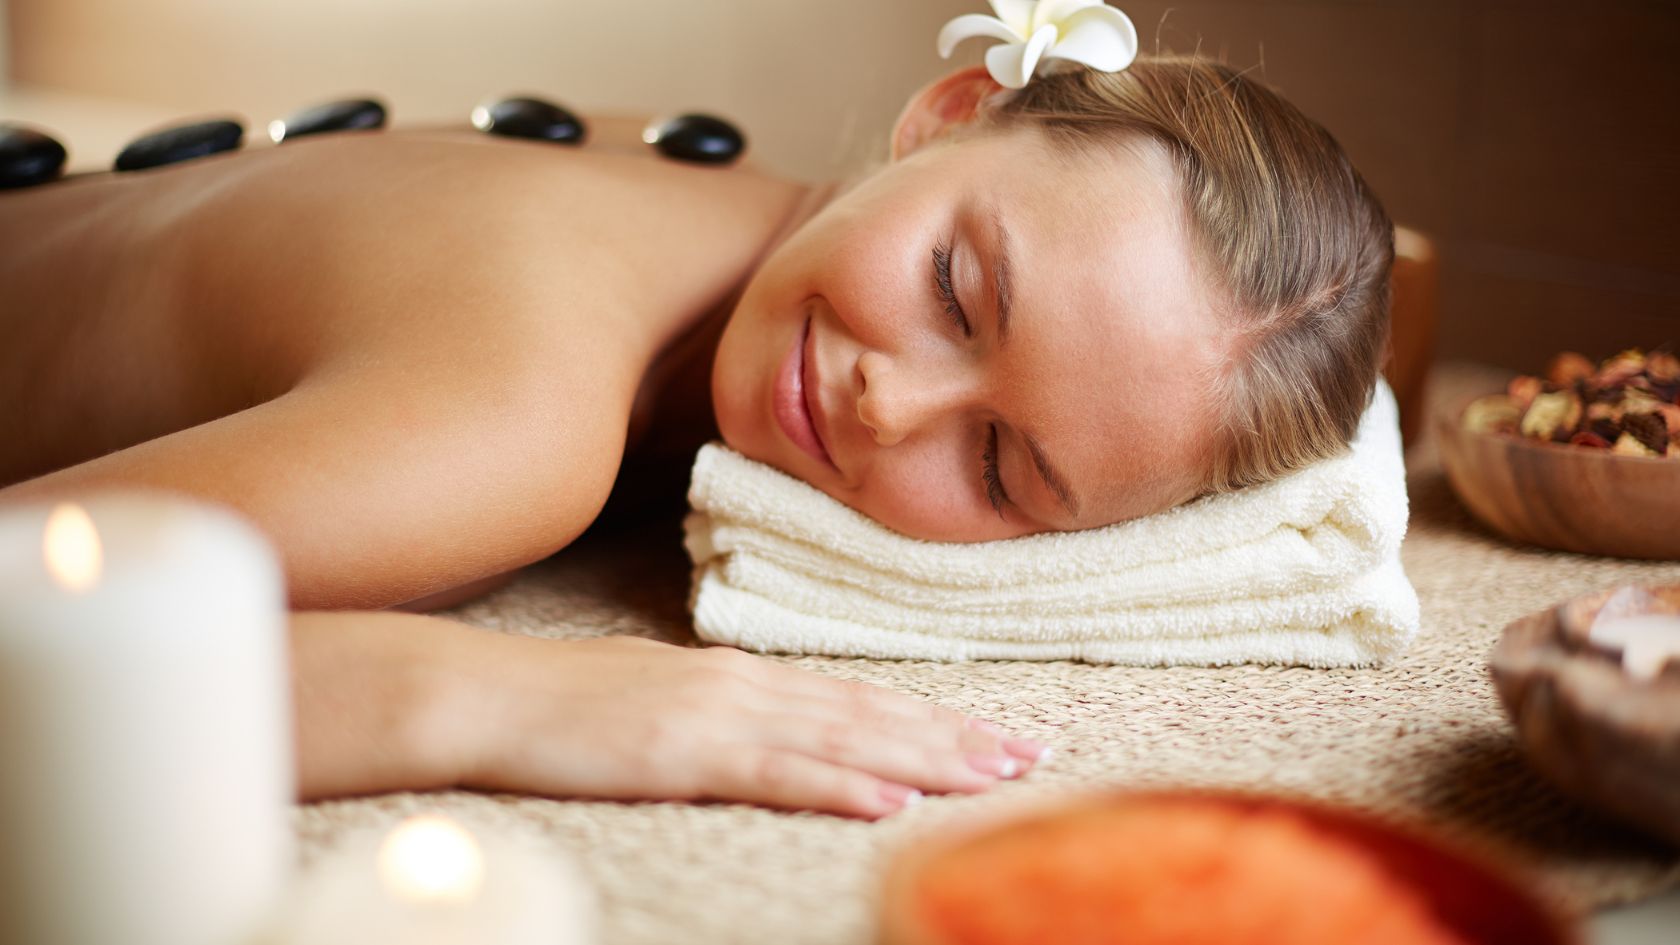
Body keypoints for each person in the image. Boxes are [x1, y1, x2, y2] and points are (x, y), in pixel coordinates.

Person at [0, 48, 1393, 818]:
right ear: (950, 113)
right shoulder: (518, 418)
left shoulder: (687, 173)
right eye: (958, 292)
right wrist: (500, 695)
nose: (888, 402)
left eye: (999, 467)